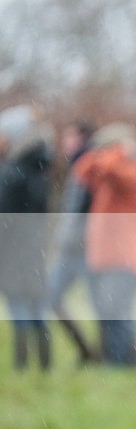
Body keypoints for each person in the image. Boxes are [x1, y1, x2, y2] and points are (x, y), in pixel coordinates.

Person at [73, 122, 136, 367]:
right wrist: (103, 152)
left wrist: (119, 150)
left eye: (106, 148)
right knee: (105, 310)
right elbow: (82, 169)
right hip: (104, 258)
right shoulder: (107, 179)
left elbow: (108, 167)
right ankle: (114, 360)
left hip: (127, 257)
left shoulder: (135, 174)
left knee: (116, 309)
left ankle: (125, 364)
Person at [0, 105, 53, 371]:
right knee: (35, 304)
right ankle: (45, 362)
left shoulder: (13, 171)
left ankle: (22, 364)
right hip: (34, 247)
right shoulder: (40, 166)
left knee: (18, 304)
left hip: (12, 250)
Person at [47, 119, 98, 364]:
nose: (64, 142)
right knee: (52, 296)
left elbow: (82, 211)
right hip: (75, 247)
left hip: (83, 249)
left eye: (69, 136)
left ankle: (98, 355)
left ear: (81, 138)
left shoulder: (87, 165)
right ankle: (88, 352)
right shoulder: (78, 164)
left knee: (100, 304)